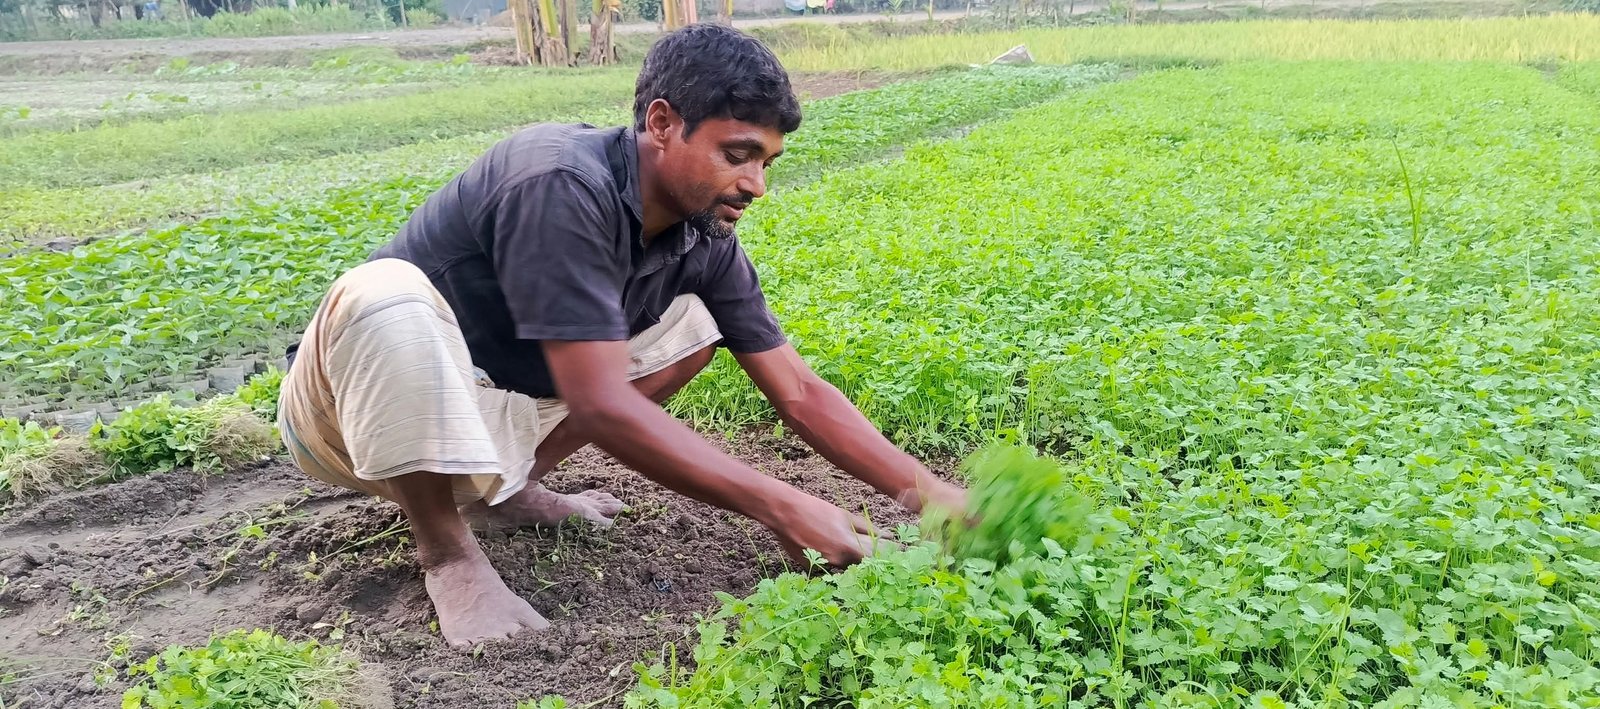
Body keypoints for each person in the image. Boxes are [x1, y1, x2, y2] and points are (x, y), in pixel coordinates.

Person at [276, 23, 968, 648]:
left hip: (486, 422)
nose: (756, 185)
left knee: (695, 326)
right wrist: (782, 505)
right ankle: (448, 555)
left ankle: (508, 491)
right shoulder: (558, 180)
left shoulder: (704, 237)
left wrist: (930, 494)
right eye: (738, 154)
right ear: (662, 123)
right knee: (386, 294)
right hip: (355, 421)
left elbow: (798, 391)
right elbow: (602, 404)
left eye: (767, 162)